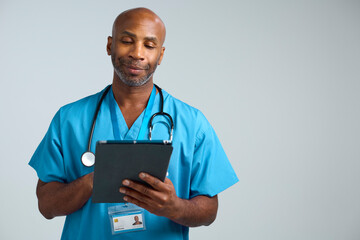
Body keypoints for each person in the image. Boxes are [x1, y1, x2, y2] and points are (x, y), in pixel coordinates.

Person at [29, 7, 238, 240]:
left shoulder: (192, 123)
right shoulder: (69, 119)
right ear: (110, 45)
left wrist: (174, 206)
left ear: (161, 54)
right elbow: (46, 205)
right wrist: (92, 182)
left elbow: (209, 210)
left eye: (149, 46)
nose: (137, 53)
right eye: (127, 41)